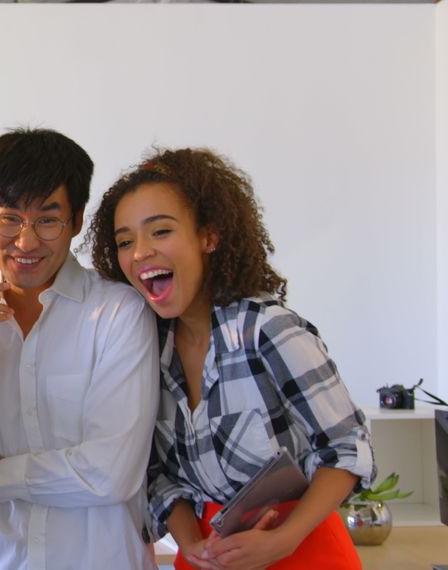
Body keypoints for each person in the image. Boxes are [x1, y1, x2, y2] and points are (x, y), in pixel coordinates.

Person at [87, 147, 375, 570]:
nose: (140, 252)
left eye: (160, 231)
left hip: (302, 550)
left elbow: (347, 448)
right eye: (125, 241)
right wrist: (190, 544)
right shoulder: (146, 347)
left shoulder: (268, 329)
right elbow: (154, 473)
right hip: (208, 555)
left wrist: (284, 541)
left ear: (209, 237)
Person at [0, 128, 160, 569]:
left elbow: (112, 473)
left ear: (77, 220)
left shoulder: (118, 314)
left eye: (47, 220)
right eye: (9, 218)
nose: (25, 243)